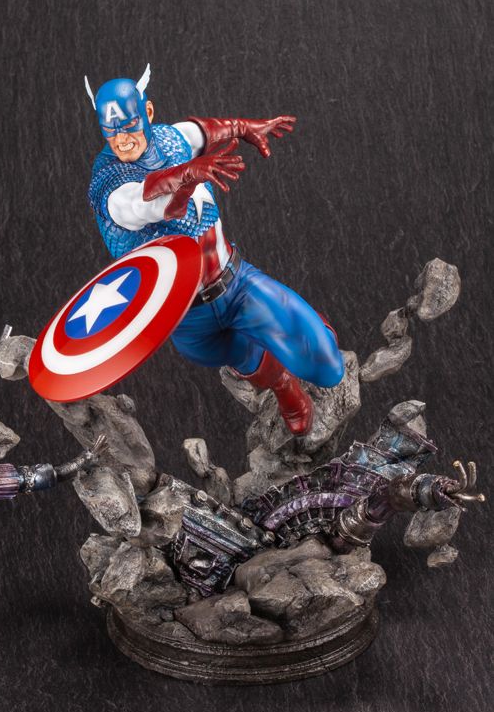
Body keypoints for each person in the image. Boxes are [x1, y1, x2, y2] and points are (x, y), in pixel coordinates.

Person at [85, 65, 344, 436]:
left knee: (327, 367)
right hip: (183, 316)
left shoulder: (170, 138)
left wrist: (243, 128)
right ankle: (283, 385)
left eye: (129, 126)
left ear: (148, 112)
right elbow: (144, 204)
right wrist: (188, 174)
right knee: (247, 359)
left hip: (235, 285)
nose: (123, 140)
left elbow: (202, 131)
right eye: (112, 132)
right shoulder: (108, 180)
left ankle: (306, 326)